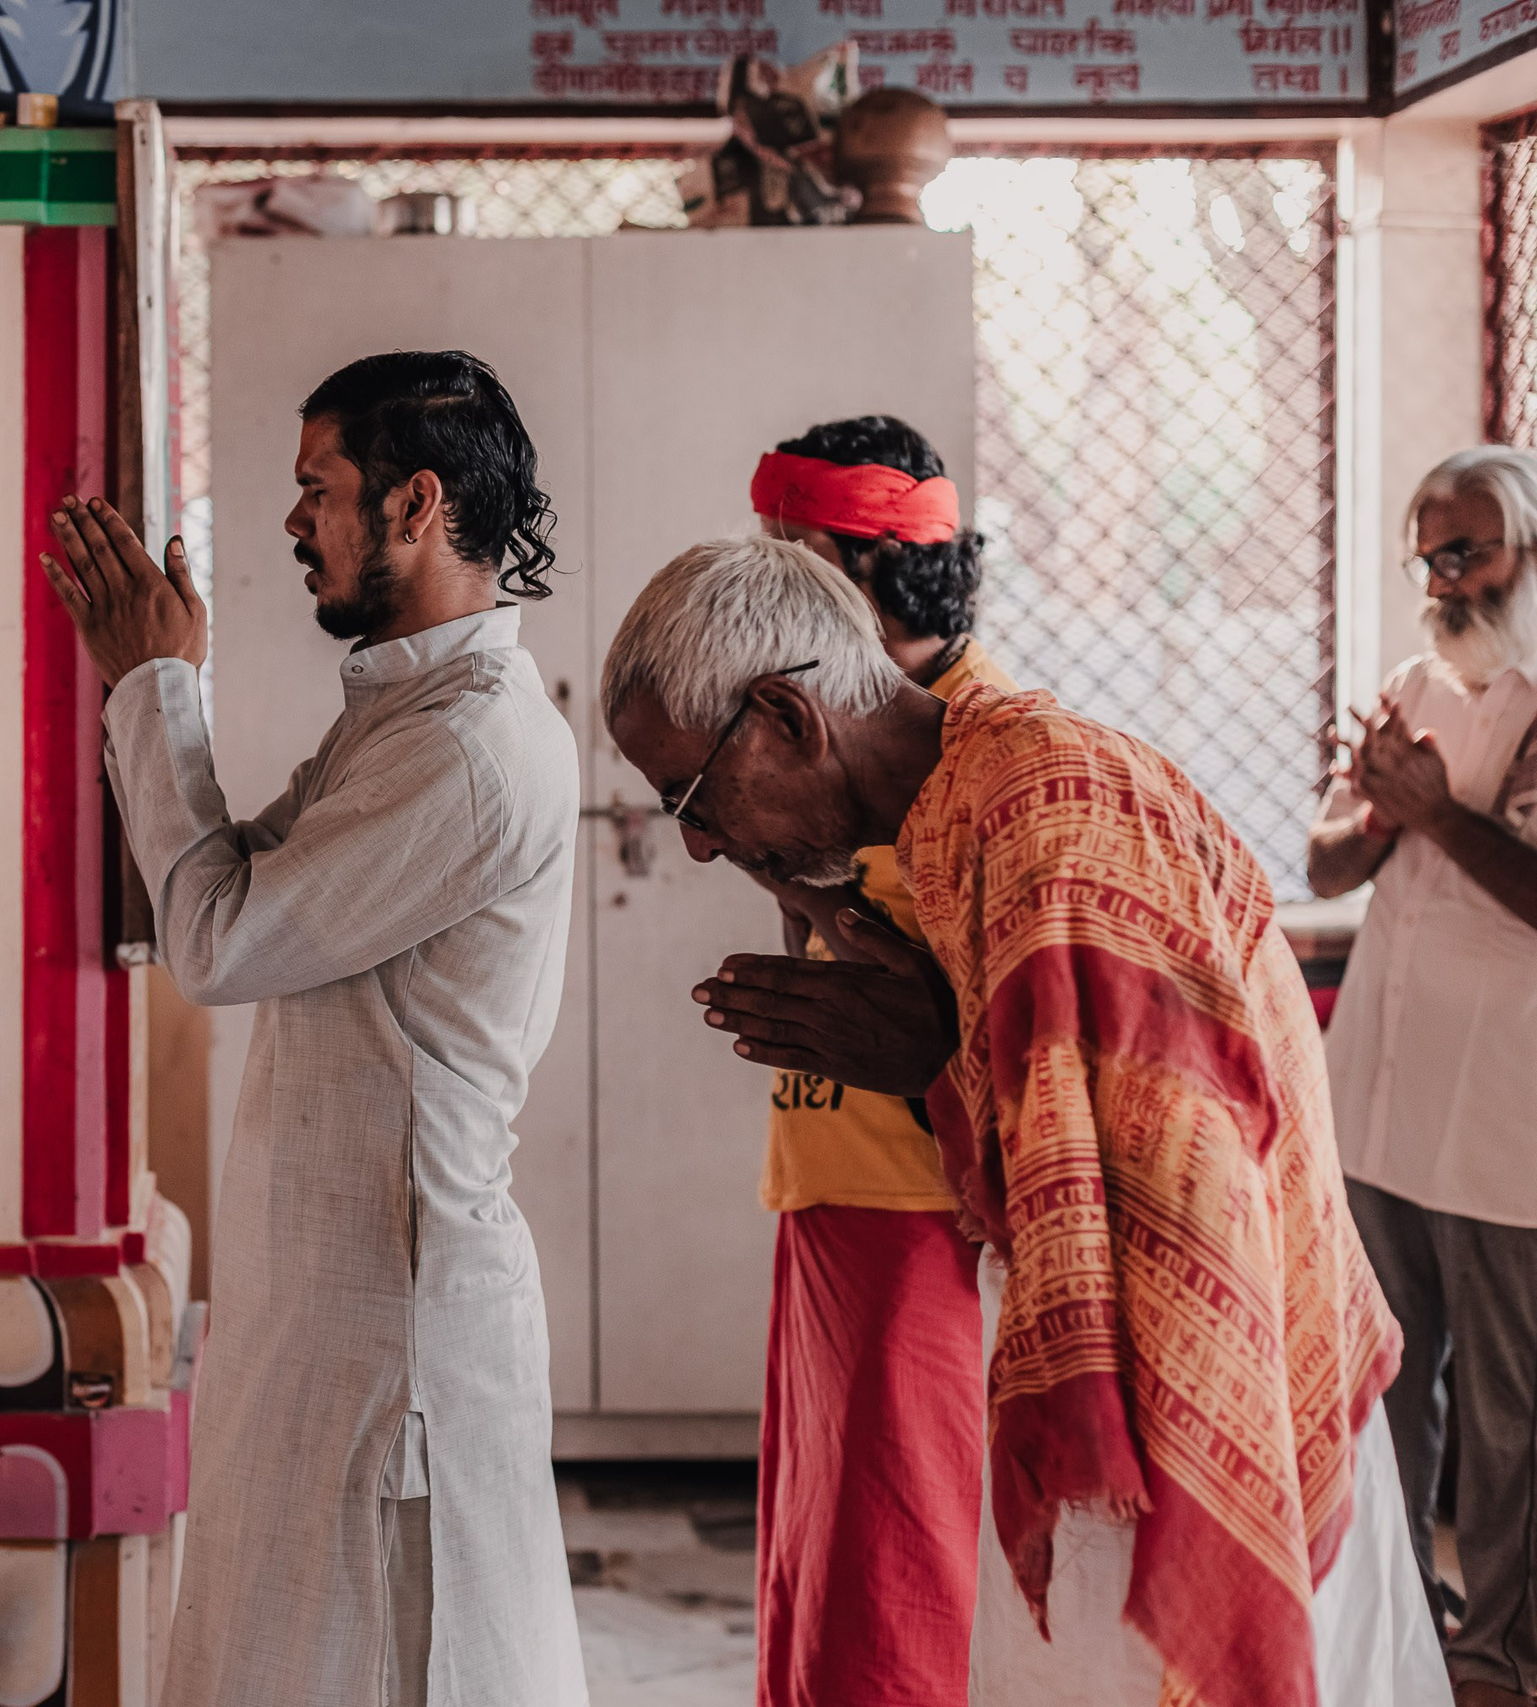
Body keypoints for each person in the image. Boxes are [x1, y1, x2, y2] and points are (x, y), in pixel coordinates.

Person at [602, 534, 1446, 1707]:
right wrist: (916, 1028)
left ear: (789, 718)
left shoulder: (1050, 803)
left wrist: (925, 1055)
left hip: (1198, 1417)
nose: (694, 842)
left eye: (690, 796)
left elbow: (1173, 1181)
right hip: (1124, 1405)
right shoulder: (960, 807)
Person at [40, 350, 587, 1707]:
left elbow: (221, 936)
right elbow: (224, 876)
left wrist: (157, 686)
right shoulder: (408, 713)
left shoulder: (461, 746)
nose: (294, 522)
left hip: (391, 1325)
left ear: (411, 504)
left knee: (391, 1655)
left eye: (314, 489)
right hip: (334, 1297)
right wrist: (150, 691)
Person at [742, 419, 1007, 1707]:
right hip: (828, 1188)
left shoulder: (980, 746)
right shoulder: (835, 721)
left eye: (787, 570)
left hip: (928, 1217)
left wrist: (812, 892)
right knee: (814, 1568)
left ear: (865, 574)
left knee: (899, 1582)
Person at [1310, 446, 1537, 1707]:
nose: (1444, 579)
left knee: (1509, 1422)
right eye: (1427, 553)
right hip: (1380, 1105)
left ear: (1529, 551)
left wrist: (1439, 811)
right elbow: (1328, 862)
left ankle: (1501, 1656)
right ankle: (1398, 1622)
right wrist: (1385, 813)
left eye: (1471, 550)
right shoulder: (1410, 681)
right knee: (1380, 1384)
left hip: (1505, 1122)